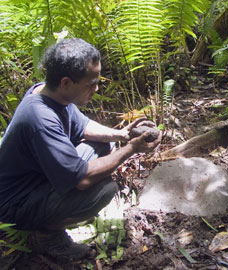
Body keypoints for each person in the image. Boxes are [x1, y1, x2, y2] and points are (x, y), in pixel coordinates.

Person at [0, 38, 161, 262]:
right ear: (66, 82)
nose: (96, 88)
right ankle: (46, 234)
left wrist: (123, 134)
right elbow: (83, 180)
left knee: (105, 143)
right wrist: (132, 148)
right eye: (91, 83)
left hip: (38, 179)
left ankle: (51, 214)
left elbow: (83, 126)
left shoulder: (49, 94)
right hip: (15, 204)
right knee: (102, 190)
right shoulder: (40, 118)